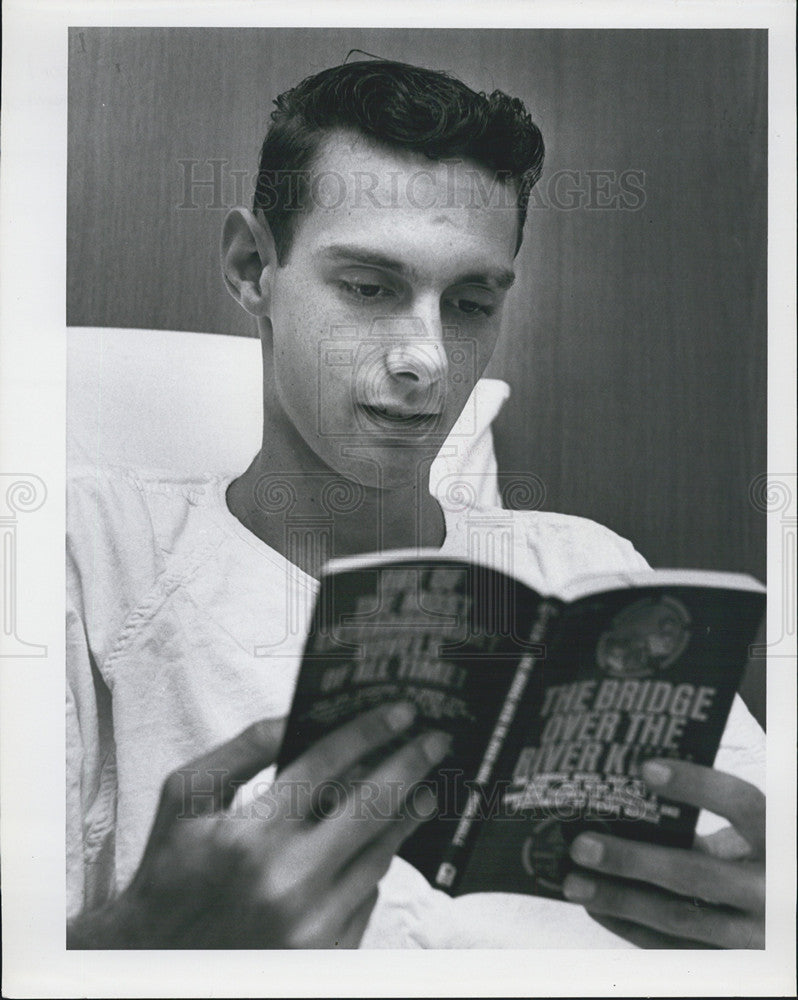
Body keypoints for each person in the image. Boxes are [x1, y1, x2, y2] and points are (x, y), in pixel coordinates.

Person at [66, 58, 765, 949]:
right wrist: (140, 943)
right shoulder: (93, 557)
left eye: (471, 302)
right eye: (368, 288)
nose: (428, 359)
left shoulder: (588, 566)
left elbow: (751, 842)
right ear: (253, 267)